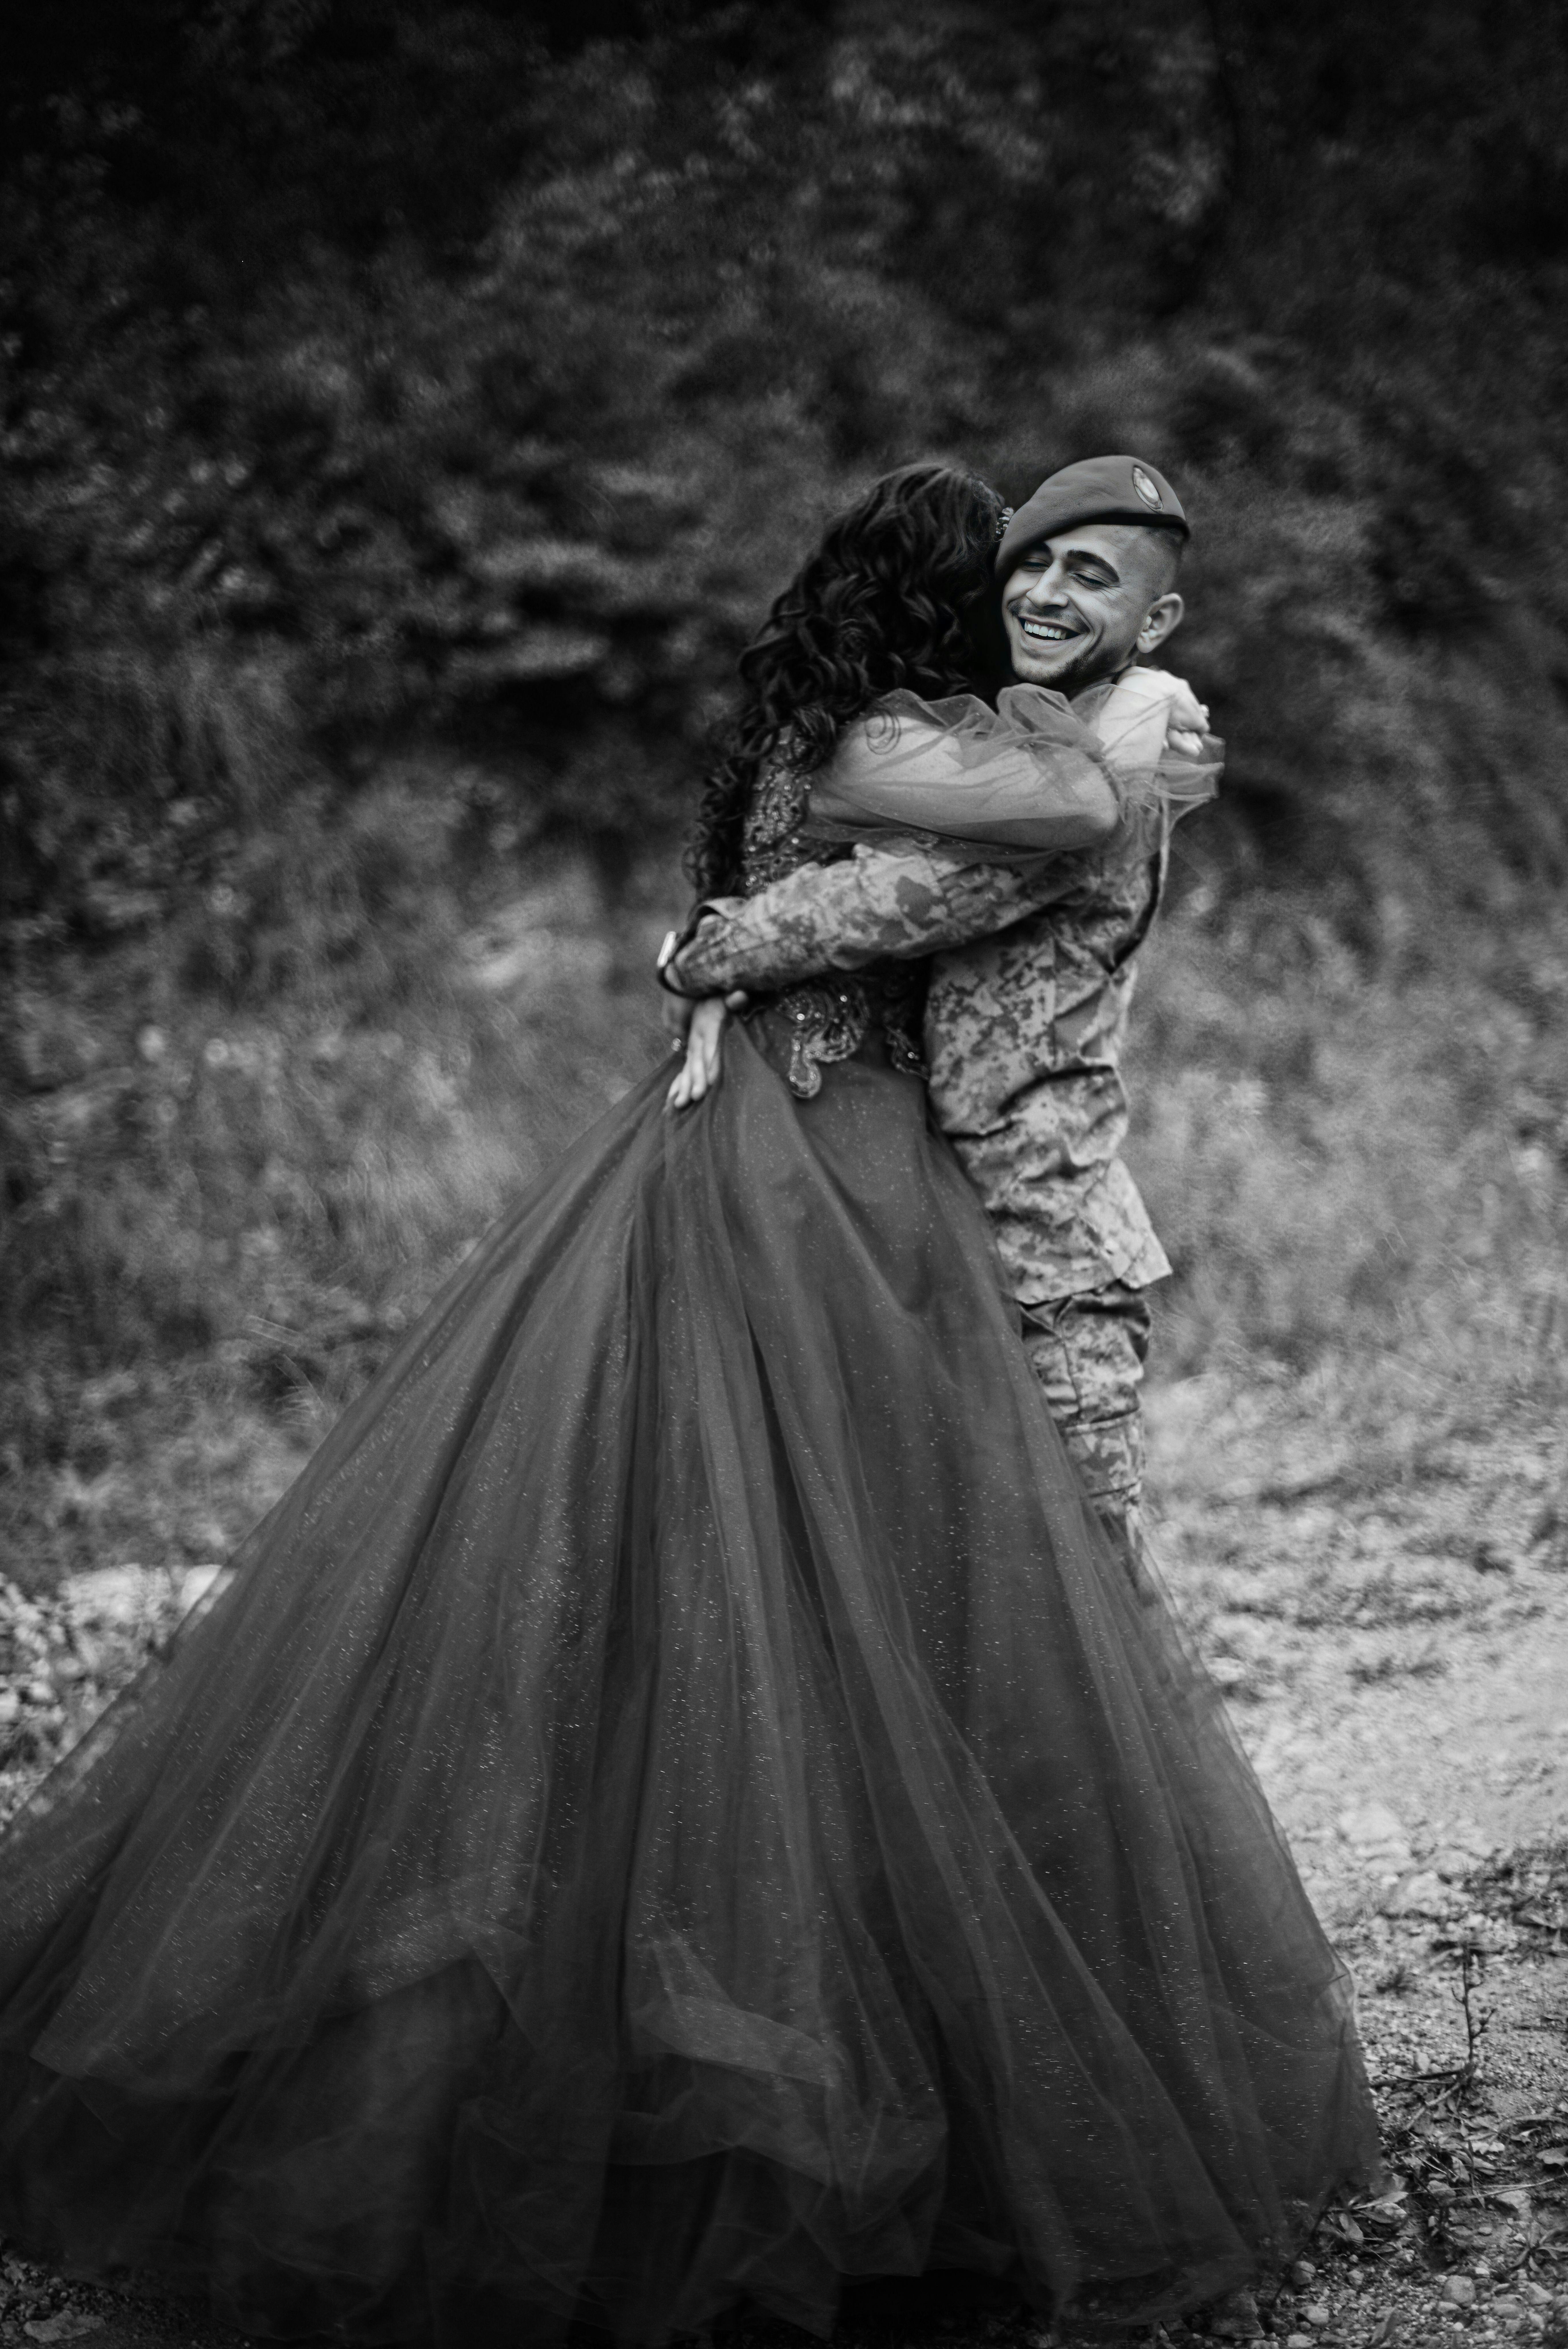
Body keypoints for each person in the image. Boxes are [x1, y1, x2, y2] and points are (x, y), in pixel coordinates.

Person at [0, 465, 1378, 2349]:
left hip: (771, 1152)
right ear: (934, 607)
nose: (1031, 607)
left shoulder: (835, 720)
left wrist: (1114, 730)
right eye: (1011, 577)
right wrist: (1104, 750)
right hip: (818, 1167)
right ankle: (851, 2091)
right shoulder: (904, 736)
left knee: (726, 1575)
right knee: (834, 1586)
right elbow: (951, 861)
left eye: (1077, 578)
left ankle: (821, 2045)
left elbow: (944, 857)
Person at [664, 457, 1211, 1560]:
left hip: (1036, 1237)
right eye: (1030, 565)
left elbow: (901, 895)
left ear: (1151, 621)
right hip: (917, 1211)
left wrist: (708, 952)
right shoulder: (1022, 743)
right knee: (911, 1574)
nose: (1042, 593)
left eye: (1086, 575)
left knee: (1072, 1592)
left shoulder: (1111, 760)